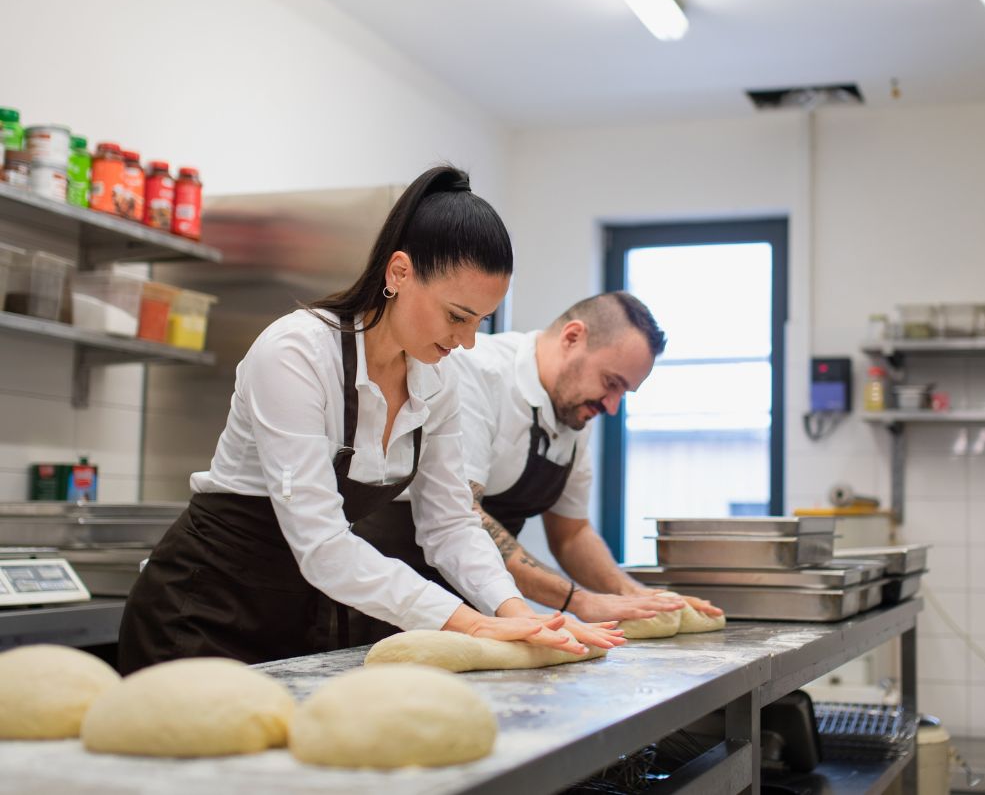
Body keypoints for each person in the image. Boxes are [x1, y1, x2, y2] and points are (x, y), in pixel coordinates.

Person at [118, 165, 623, 674]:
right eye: (456, 316)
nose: (467, 341)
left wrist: (522, 618)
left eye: (481, 322)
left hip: (294, 620)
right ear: (399, 273)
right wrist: (470, 623)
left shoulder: (437, 379)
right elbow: (321, 544)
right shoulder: (296, 353)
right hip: (199, 613)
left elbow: (450, 524)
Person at [353, 292, 723, 624]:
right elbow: (462, 514)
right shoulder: (477, 372)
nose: (612, 407)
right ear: (572, 338)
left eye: (624, 393)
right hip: (390, 592)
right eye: (611, 383)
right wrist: (577, 602)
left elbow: (571, 533)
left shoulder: (577, 410)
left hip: (480, 601)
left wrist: (633, 594)